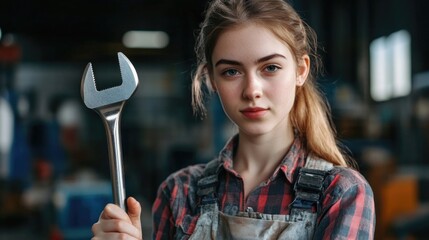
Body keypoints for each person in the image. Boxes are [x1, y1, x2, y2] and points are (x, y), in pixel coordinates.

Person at [91, 0, 376, 239]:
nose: (252, 90)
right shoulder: (179, 192)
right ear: (212, 80)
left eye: (271, 67)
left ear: (301, 70)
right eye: (231, 72)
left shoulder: (341, 193)